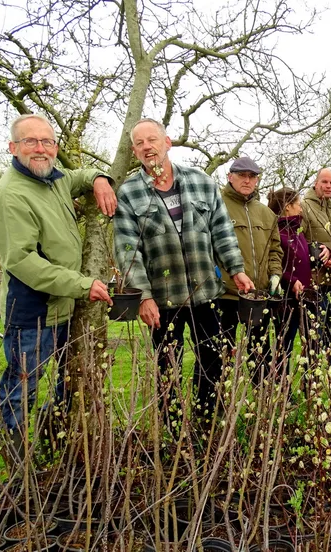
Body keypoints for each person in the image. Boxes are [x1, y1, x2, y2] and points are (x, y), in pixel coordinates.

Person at [0, 113, 116, 463]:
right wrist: (82, 284)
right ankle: (15, 463)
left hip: (66, 304)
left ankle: (56, 443)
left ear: (56, 147)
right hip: (34, 310)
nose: (40, 148)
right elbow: (23, 262)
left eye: (47, 142)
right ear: (13, 147)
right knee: (22, 385)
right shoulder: (9, 195)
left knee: (68, 380)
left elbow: (79, 176)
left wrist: (100, 179)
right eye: (30, 141)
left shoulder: (53, 179)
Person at [113, 118, 254, 422]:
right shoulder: (129, 193)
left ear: (167, 143)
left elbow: (222, 231)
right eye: (139, 143)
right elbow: (127, 252)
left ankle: (206, 422)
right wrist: (144, 297)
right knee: (167, 367)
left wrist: (236, 269)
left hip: (206, 294)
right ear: (135, 151)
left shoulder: (201, 181)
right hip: (163, 302)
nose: (147, 147)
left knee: (214, 361)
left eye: (152, 140)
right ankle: (175, 428)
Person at [218, 156, 283, 383]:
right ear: (230, 177)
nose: (247, 180)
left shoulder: (266, 213)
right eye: (242, 175)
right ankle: (217, 405)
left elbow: (275, 249)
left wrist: (275, 274)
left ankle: (263, 403)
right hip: (225, 294)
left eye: (252, 176)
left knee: (260, 351)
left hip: (258, 294)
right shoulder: (217, 206)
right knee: (220, 354)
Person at [301, 168, 331, 366]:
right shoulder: (304, 207)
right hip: (314, 280)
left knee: (330, 327)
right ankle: (310, 376)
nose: (328, 186)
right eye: (325, 182)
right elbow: (297, 241)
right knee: (313, 332)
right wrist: (320, 255)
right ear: (316, 183)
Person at [268, 187, 316, 368]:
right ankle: (282, 387)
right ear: (287, 206)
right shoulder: (277, 233)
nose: (301, 209)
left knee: (311, 343)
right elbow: (275, 266)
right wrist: (291, 280)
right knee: (284, 343)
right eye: (298, 204)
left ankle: (309, 385)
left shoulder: (297, 231)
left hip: (305, 296)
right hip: (287, 298)